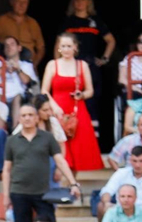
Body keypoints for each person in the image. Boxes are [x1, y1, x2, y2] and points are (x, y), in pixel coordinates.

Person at [0, 101, 79, 222]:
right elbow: (6, 170)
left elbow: (60, 161)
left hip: (43, 192)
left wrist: (73, 183)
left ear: (37, 118)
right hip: (19, 192)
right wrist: (6, 195)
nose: (27, 118)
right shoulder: (11, 141)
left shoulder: (47, 138)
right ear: (19, 119)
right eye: (24, 115)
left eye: (30, 115)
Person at [39, 35, 101, 173]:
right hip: (57, 109)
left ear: (75, 47)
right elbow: (44, 91)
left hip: (77, 110)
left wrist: (82, 95)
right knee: (60, 147)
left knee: (78, 150)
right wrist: (54, 107)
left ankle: (72, 182)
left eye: (69, 46)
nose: (66, 49)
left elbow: (90, 91)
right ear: (59, 48)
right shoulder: (52, 64)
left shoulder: (82, 65)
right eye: (63, 46)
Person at [0, 0, 45, 65]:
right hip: (6, 66)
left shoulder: (33, 23)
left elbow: (41, 48)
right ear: (11, 2)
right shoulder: (1, 21)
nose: (21, 5)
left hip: (28, 65)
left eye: (25, 2)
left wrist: (34, 65)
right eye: (18, 1)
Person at [0, 36, 37, 107]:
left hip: (18, 94)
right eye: (6, 45)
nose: (9, 47)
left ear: (19, 48)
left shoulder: (26, 64)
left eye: (12, 44)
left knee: (17, 98)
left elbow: (27, 81)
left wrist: (18, 69)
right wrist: (5, 66)